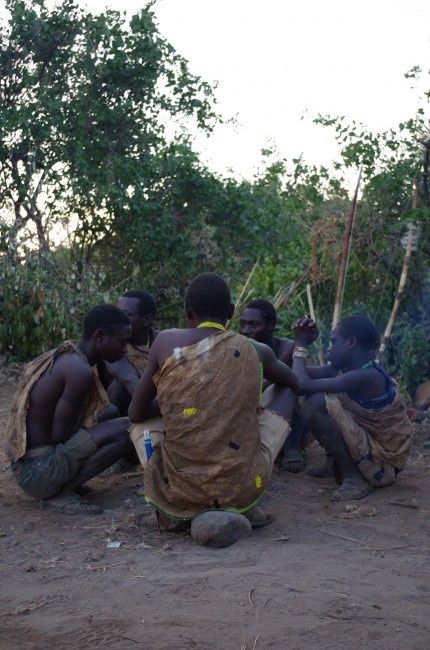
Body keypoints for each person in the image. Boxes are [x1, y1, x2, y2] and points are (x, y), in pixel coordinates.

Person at [128, 273, 299, 530]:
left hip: (178, 489)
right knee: (286, 390)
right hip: (241, 488)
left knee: (140, 428)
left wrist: (176, 404)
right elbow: (295, 383)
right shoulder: (256, 349)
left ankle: (172, 512)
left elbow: (135, 413)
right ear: (231, 311)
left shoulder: (164, 342)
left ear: (188, 314)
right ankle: (246, 508)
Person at [5, 305, 134, 515]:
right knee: (125, 428)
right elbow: (60, 433)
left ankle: (65, 484)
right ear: (100, 337)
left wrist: (98, 428)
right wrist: (100, 432)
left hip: (27, 469)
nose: (125, 349)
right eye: (122, 342)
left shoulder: (68, 356)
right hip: (38, 473)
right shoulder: (78, 370)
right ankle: (63, 493)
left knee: (110, 414)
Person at [292, 314, 413, 501]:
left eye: (333, 342)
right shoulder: (346, 370)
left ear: (350, 342)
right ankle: (335, 464)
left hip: (381, 463)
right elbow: (296, 375)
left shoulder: (366, 375)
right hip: (369, 449)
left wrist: (300, 346)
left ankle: (355, 478)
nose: (329, 348)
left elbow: (301, 384)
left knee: (314, 404)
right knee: (324, 401)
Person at [239, 298, 308, 473]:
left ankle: (291, 446)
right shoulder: (238, 347)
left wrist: (298, 344)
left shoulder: (286, 346)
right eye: (243, 324)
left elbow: (297, 382)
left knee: (286, 387)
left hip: (282, 413)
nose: (246, 331)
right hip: (250, 412)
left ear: (271, 325)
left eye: (253, 325)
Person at [102, 290, 159, 416]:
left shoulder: (161, 340)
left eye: (124, 315)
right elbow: (133, 385)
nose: (115, 320)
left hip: (156, 407)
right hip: (124, 415)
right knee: (119, 387)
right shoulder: (111, 346)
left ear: (147, 320)